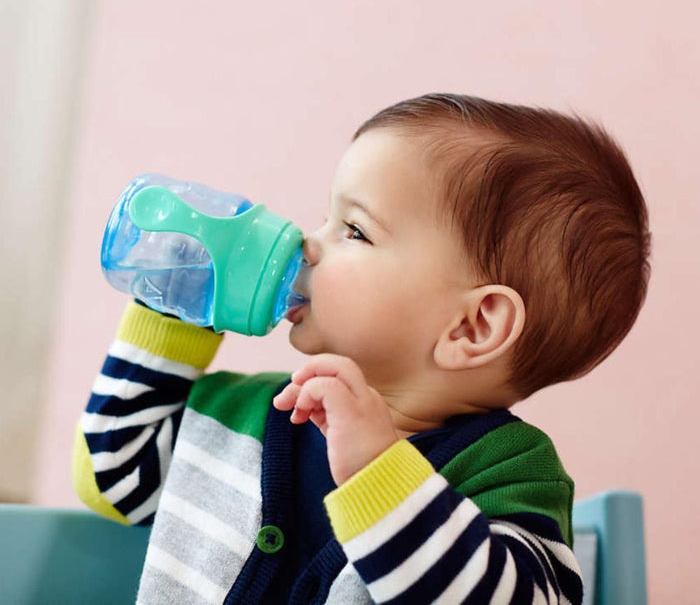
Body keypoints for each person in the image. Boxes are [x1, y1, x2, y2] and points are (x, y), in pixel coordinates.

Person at [73, 93, 651, 604]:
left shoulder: (509, 473)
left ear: (472, 326)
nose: (305, 241)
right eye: (327, 217)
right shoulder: (245, 413)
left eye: (354, 230)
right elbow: (112, 479)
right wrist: (176, 301)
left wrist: (381, 476)